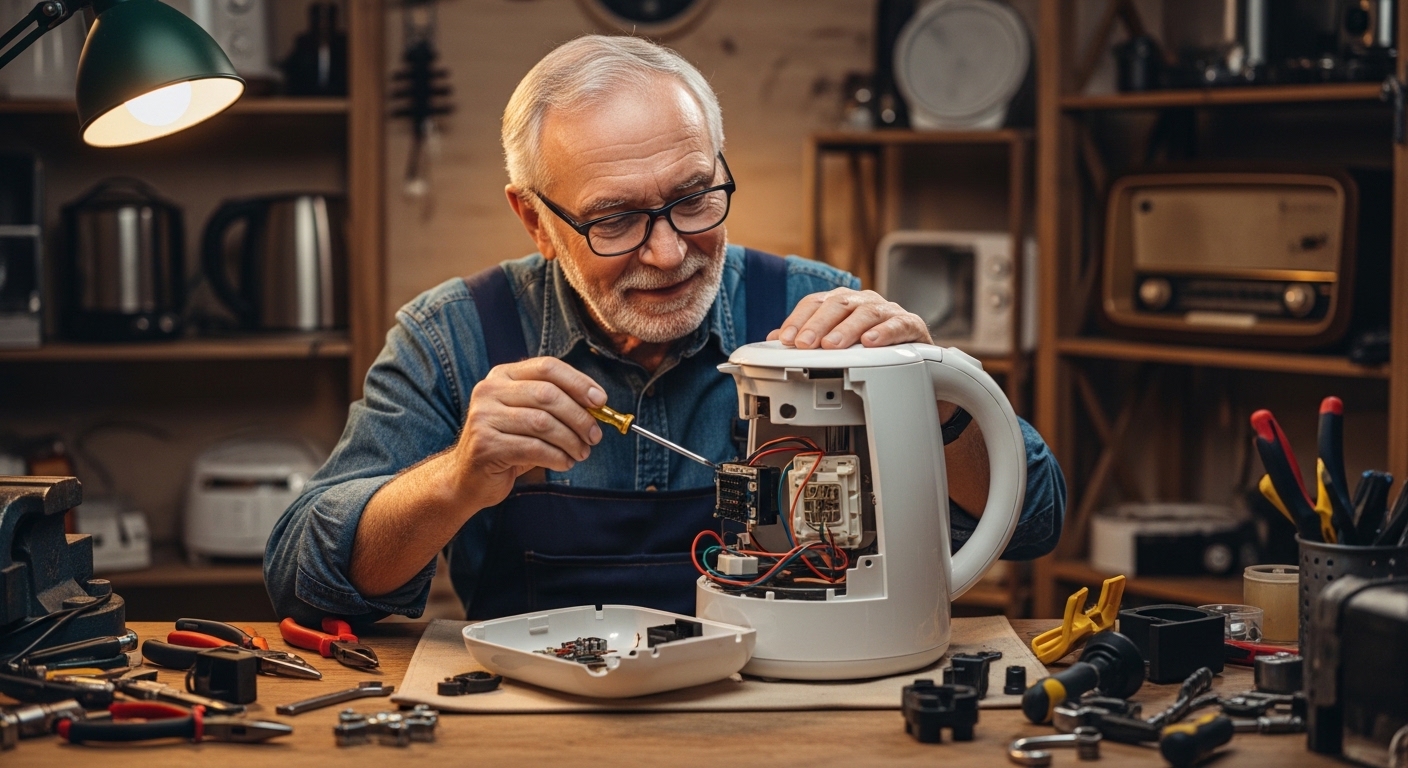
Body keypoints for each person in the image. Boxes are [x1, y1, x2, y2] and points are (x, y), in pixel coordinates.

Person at [264, 35, 1065, 625]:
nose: (670, 252)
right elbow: (303, 579)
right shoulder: (452, 335)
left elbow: (1034, 523)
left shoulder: (822, 311)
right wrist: (456, 480)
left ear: (719, 164)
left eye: (693, 197)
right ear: (535, 221)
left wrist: (934, 394)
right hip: (539, 730)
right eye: (614, 219)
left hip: (782, 712)